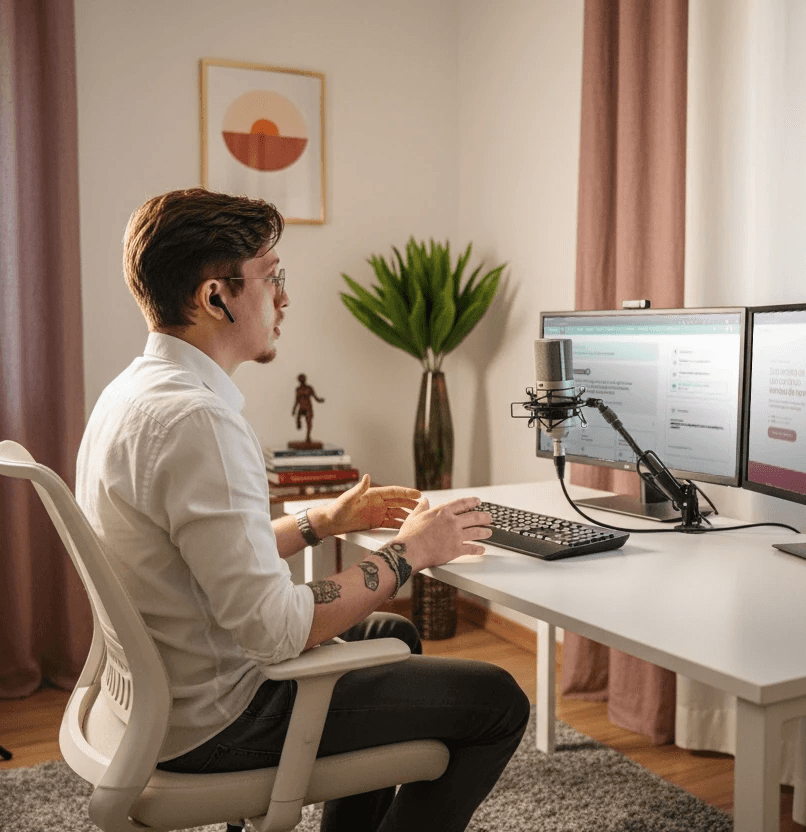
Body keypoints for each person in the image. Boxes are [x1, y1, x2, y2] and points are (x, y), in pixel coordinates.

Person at [76, 188, 529, 832]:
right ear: (215, 297)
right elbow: (277, 631)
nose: (284, 298)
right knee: (499, 701)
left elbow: (204, 554)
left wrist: (325, 521)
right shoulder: (198, 422)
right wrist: (415, 552)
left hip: (159, 696)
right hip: (219, 721)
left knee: (394, 636)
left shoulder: (133, 393)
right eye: (271, 278)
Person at [292, 372, 324, 444]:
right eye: (300, 379)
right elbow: (296, 400)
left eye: (303, 378)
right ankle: (298, 424)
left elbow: (315, 397)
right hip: (301, 407)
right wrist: (294, 409)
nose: (302, 380)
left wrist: (320, 400)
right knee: (298, 418)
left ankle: (308, 436)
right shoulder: (298, 389)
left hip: (308, 407)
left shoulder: (309, 388)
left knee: (309, 422)